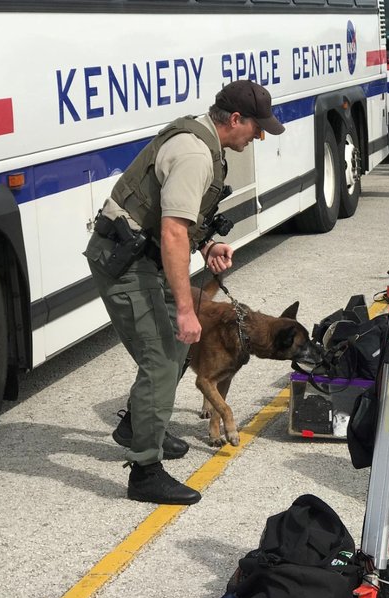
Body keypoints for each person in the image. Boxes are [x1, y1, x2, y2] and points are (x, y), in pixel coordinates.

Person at [84, 80, 284, 505]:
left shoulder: (204, 139)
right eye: (257, 126)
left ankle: (135, 427)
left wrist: (209, 244)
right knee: (162, 357)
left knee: (176, 348)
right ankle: (145, 473)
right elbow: (174, 233)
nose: (260, 135)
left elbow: (181, 222)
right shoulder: (196, 155)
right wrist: (187, 311)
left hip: (143, 255)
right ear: (235, 120)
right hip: (124, 263)